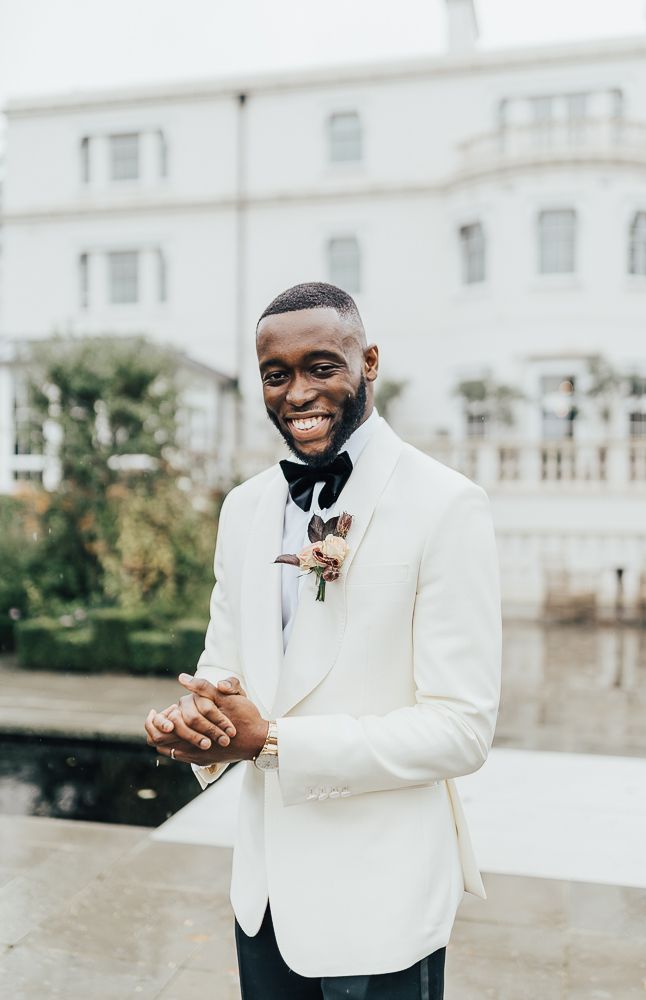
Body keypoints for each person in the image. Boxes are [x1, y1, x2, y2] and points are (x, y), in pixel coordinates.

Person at [145, 281, 502, 999]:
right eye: (276, 375)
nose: (296, 392)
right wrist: (196, 726)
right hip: (265, 899)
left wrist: (273, 743)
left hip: (382, 900)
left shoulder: (446, 505)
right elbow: (224, 674)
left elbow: (461, 730)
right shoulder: (244, 508)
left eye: (321, 367)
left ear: (368, 362)